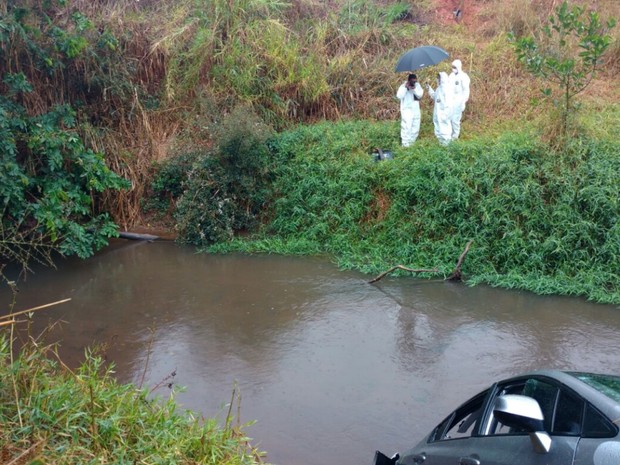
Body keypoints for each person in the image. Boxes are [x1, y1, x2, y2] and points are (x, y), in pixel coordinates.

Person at [396, 73, 424, 147]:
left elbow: (420, 94)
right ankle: (405, 145)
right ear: (408, 80)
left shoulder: (417, 85)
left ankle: (412, 144)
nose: (413, 83)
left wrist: (414, 89)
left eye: (415, 81)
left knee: (415, 127)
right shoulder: (403, 86)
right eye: (412, 81)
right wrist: (406, 88)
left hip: (416, 110)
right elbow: (399, 96)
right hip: (407, 110)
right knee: (406, 128)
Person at [427, 71, 452, 146]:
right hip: (437, 114)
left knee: (445, 131)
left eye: (439, 78)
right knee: (438, 130)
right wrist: (429, 88)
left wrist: (445, 114)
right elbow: (434, 96)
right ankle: (441, 145)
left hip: (444, 114)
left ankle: (446, 147)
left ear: (442, 79)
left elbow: (449, 104)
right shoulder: (439, 89)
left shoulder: (447, 89)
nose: (437, 79)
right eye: (437, 78)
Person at [448, 59, 470, 140]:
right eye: (452, 67)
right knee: (449, 118)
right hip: (451, 99)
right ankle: (449, 135)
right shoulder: (451, 75)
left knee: (455, 119)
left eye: (454, 67)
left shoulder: (464, 77)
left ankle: (455, 136)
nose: (453, 68)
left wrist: (463, 101)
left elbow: (466, 90)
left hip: (459, 99)